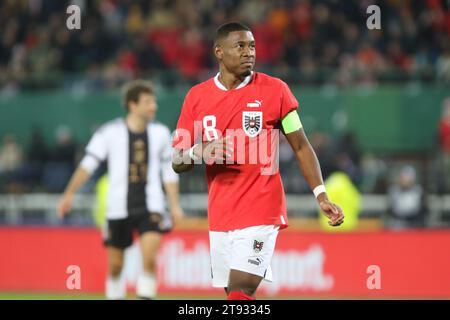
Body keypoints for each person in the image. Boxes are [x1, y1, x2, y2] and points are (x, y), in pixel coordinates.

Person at [172, 22, 344, 300]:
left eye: (251, 46)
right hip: (221, 211)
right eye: (240, 46)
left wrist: (321, 194)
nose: (248, 52)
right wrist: (200, 151)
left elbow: (301, 145)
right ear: (219, 52)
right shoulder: (196, 98)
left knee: (241, 289)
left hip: (262, 207)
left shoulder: (276, 91)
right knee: (235, 295)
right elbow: (177, 159)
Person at [58, 80, 184, 299]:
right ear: (132, 105)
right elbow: (88, 165)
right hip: (118, 207)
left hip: (151, 204)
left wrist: (174, 205)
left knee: (150, 259)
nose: (154, 106)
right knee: (116, 266)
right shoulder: (109, 132)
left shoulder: (162, 133)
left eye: (153, 101)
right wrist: (69, 194)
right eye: (148, 102)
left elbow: (169, 172)